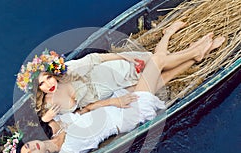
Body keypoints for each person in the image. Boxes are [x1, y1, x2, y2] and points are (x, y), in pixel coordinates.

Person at [12, 31, 225, 153]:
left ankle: (198, 54)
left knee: (162, 79)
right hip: (124, 116)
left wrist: (113, 101)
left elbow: (83, 109)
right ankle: (195, 51)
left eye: (29, 146)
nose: (33, 148)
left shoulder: (59, 124)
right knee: (156, 64)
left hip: (116, 102)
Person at [17, 21, 225, 123]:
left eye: (47, 77)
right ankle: (182, 43)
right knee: (160, 72)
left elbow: (97, 59)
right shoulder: (49, 105)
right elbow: (57, 118)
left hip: (116, 70)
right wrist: (46, 119)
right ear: (39, 90)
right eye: (42, 84)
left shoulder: (68, 71)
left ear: (52, 73)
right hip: (115, 89)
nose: (48, 84)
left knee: (157, 62)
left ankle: (196, 51)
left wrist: (127, 57)